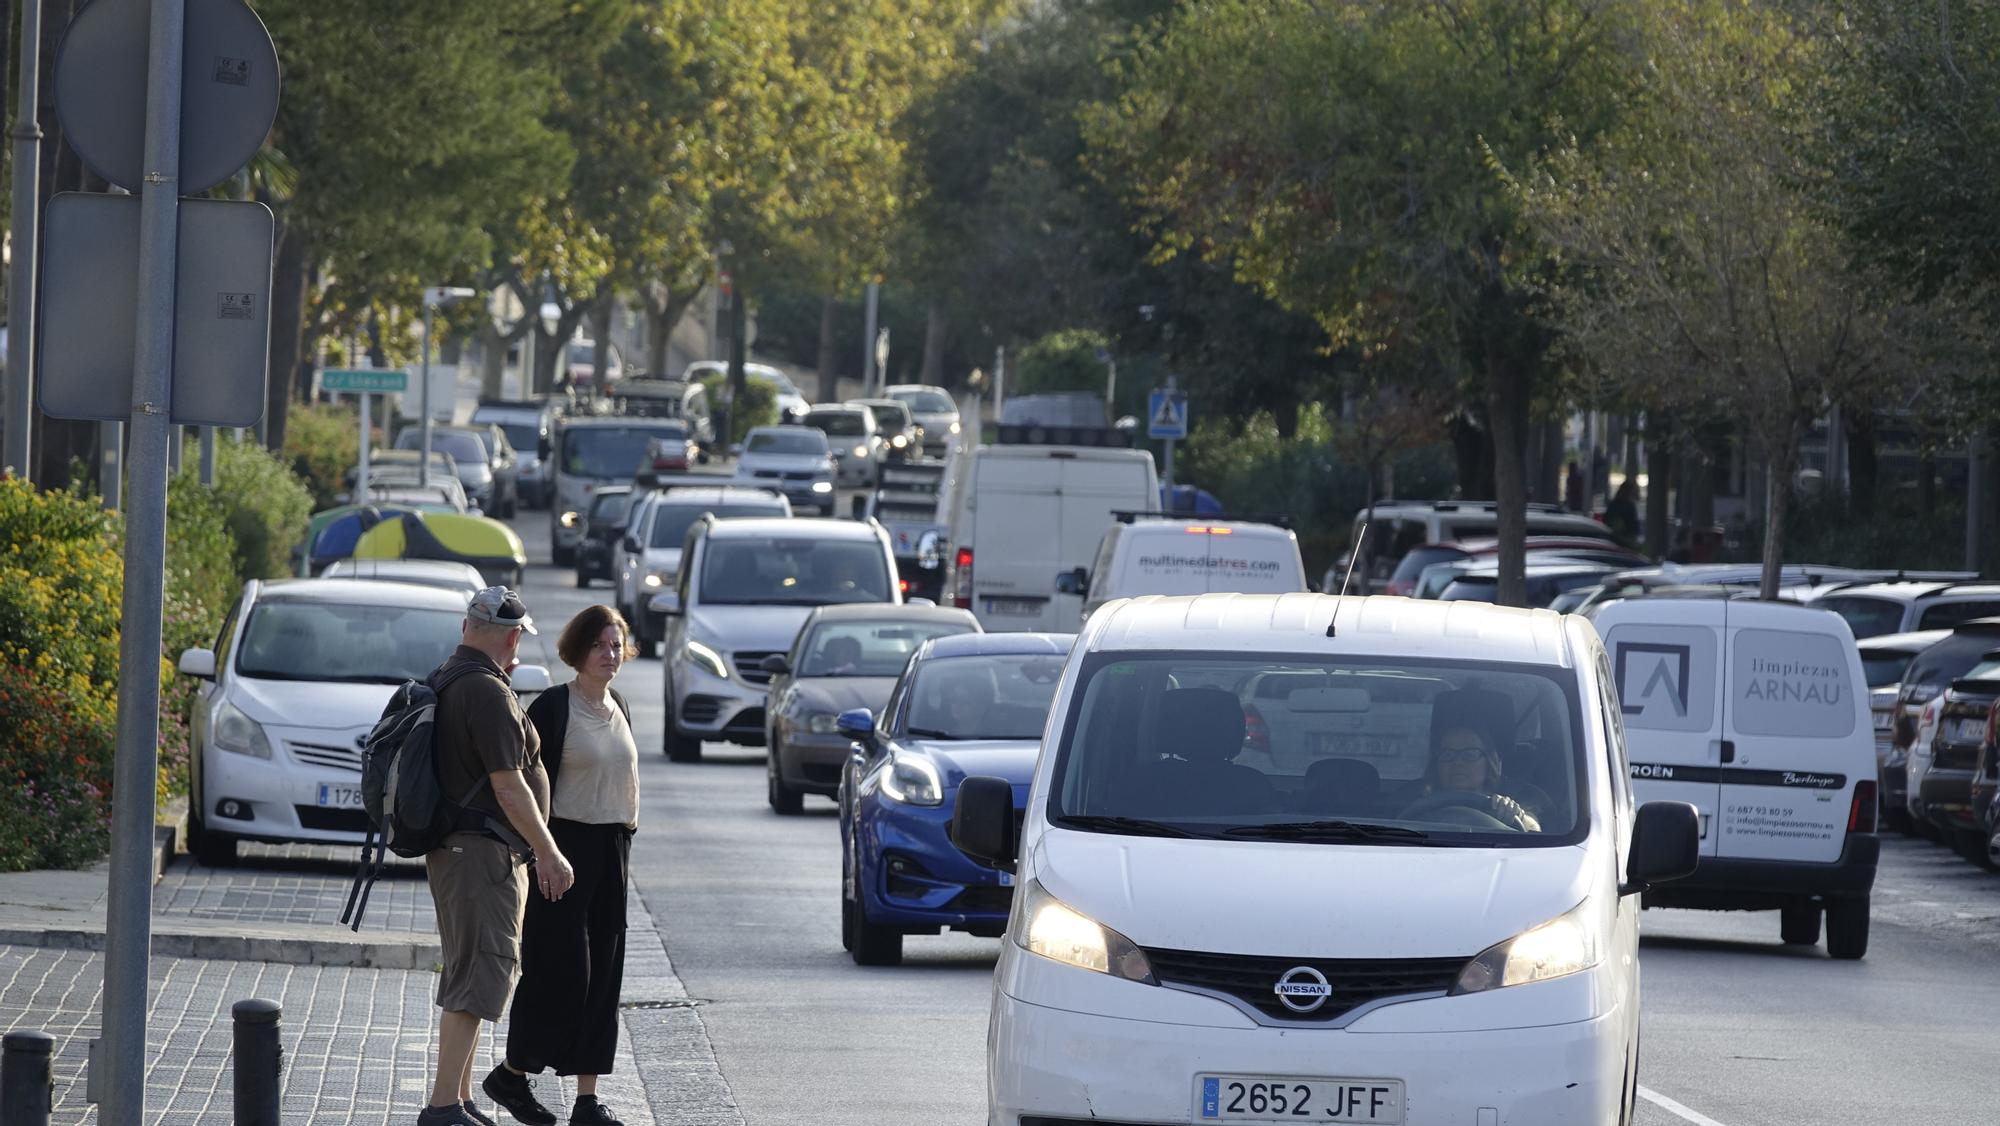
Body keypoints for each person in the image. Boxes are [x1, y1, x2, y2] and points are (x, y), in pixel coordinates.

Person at [421, 588, 574, 1126]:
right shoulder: (486, 691)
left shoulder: (449, 676)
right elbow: (509, 786)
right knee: (479, 974)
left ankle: (458, 1100)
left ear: (467, 628)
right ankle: (443, 1107)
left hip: (465, 852)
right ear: (512, 637)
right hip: (481, 854)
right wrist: (548, 852)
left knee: (470, 973)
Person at [486, 606, 640, 1126]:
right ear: (578, 650)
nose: (609, 655)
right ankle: (512, 1073)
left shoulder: (617, 703)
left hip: (613, 849)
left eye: (616, 645)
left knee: (602, 976)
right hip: (563, 850)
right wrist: (541, 853)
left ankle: (586, 1101)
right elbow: (527, 787)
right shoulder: (554, 707)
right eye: (599, 645)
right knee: (560, 972)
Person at [1408, 724, 1540, 832]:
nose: (1458, 762)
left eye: (1470, 755)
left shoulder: (1523, 795)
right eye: (1448, 755)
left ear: (1489, 762)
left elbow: (1537, 830)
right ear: (1436, 764)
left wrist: (1517, 815)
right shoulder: (1411, 797)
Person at [1603, 480, 1641, 547]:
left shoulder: (1614, 504)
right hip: (1624, 541)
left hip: (1613, 539)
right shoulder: (1628, 506)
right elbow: (1633, 526)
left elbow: (1606, 520)